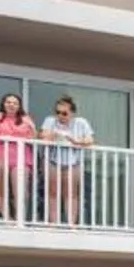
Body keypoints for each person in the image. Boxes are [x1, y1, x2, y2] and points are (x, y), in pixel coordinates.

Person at [37, 94, 94, 225]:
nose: (60, 116)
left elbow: (90, 140)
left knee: (71, 193)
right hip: (52, 159)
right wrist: (52, 135)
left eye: (64, 113)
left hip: (73, 161)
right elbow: (42, 137)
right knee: (52, 191)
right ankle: (54, 222)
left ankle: (71, 223)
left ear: (72, 112)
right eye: (58, 112)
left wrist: (75, 141)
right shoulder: (50, 121)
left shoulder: (81, 122)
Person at [0, 92, 35, 221]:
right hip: (1, 154)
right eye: (8, 102)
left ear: (19, 106)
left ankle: (18, 217)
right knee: (0, 188)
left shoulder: (25, 118)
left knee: (21, 190)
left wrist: (31, 125)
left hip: (21, 155)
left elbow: (33, 137)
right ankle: (7, 217)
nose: (12, 105)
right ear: (3, 104)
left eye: (15, 103)